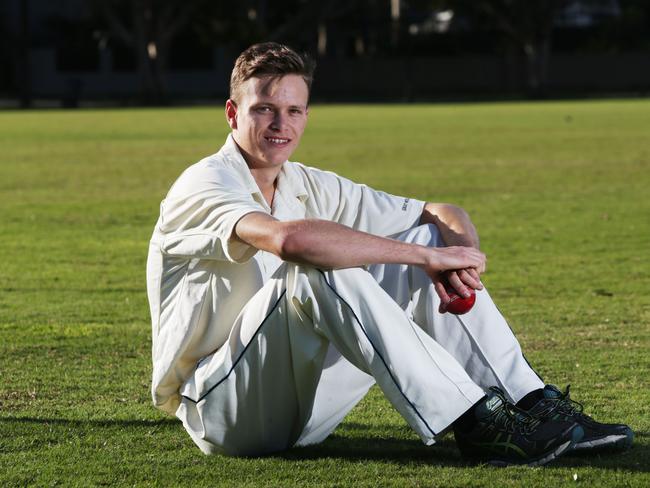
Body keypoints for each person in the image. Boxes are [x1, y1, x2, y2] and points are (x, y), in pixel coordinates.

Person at [146, 42, 633, 466]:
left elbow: (439, 211)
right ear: (233, 113)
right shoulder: (204, 181)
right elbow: (288, 241)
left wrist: (459, 259)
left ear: (307, 115)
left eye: (294, 111)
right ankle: (476, 422)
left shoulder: (307, 182)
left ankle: (529, 401)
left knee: (424, 244)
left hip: (313, 415)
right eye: (264, 109)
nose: (281, 124)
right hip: (224, 407)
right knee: (320, 268)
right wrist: (422, 259)